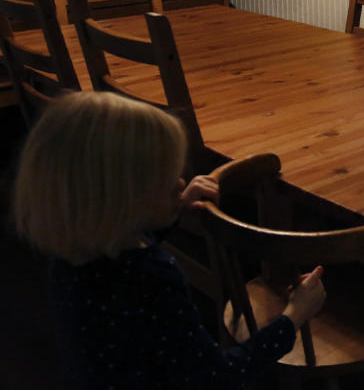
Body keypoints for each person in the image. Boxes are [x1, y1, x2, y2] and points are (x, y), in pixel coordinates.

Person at [11, 91, 327, 390]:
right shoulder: (153, 276)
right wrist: (293, 317)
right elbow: (216, 377)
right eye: (163, 180)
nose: (179, 183)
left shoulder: (72, 249)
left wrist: (171, 211)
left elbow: (124, 244)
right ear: (124, 202)